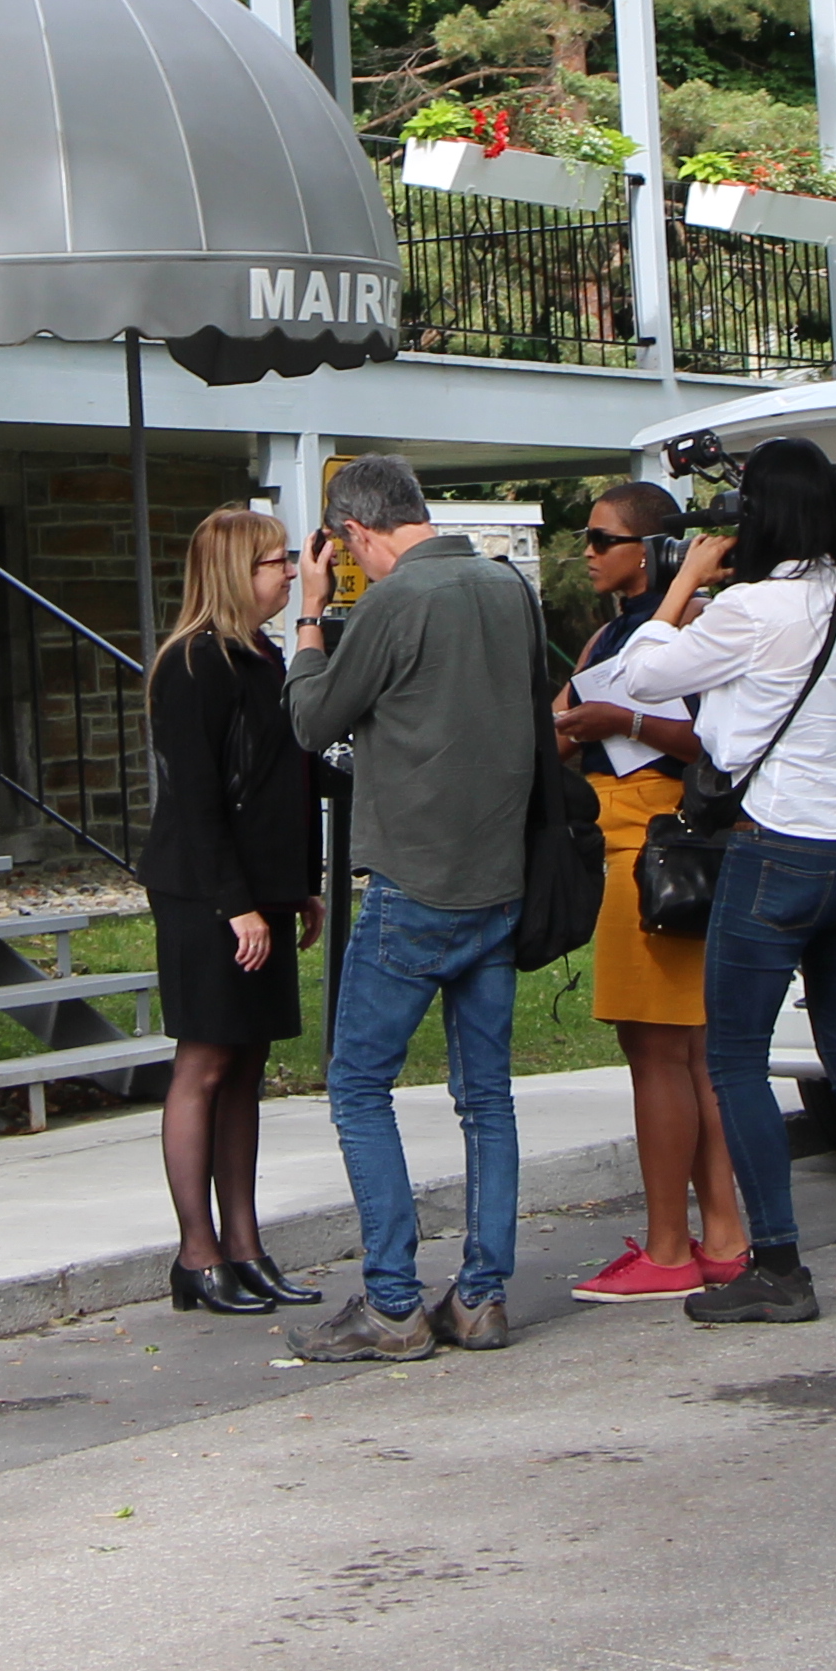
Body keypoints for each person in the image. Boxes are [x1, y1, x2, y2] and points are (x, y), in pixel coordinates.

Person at [602, 433, 836, 1322]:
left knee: (735, 1060)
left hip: (775, 851)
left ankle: (779, 1267)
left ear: (759, 517)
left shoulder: (751, 608)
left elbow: (642, 676)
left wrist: (683, 583)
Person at [281, 449, 543, 1358]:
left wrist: (310, 612)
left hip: (414, 881)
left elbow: (313, 719)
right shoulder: (508, 588)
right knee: (487, 1099)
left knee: (358, 1086)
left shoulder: (395, 602)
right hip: (499, 880)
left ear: (354, 532)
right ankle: (480, 1296)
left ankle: (392, 1302)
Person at [552, 479, 749, 1298]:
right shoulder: (607, 637)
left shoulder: (688, 627)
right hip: (626, 832)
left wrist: (623, 722)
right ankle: (724, 1234)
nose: (588, 552)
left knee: (661, 1052)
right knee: (686, 1052)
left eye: (604, 539)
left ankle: (671, 1248)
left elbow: (713, 738)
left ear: (650, 551)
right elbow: (558, 725)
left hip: (655, 839)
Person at [137, 507, 323, 1317]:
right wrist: (236, 905)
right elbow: (198, 799)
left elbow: (285, 781)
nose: (289, 571)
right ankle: (196, 1252)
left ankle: (245, 1246)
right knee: (206, 1062)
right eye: (276, 561)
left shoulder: (263, 657)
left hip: (260, 890)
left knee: (247, 1066)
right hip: (205, 892)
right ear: (234, 573)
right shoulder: (193, 664)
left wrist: (298, 885)